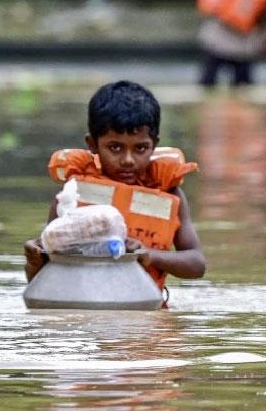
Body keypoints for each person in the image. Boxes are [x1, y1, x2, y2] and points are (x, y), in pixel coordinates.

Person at [23, 81, 207, 304]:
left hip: (146, 315)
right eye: (115, 148)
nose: (128, 160)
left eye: (140, 148)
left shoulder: (169, 194)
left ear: (154, 144)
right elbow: (42, 283)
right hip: (84, 319)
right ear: (93, 145)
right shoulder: (74, 197)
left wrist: (148, 255)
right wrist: (34, 260)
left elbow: (197, 264)